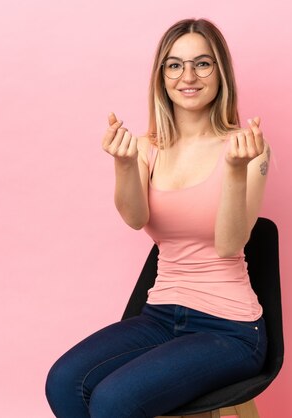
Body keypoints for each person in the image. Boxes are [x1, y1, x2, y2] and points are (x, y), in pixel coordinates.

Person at [45, 18, 271, 418]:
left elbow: (230, 243)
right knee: (65, 382)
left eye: (203, 64)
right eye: (174, 65)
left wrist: (235, 170)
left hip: (230, 330)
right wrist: (125, 163)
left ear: (221, 73)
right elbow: (135, 219)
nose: (188, 76)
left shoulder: (246, 148)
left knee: (115, 401)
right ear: (161, 75)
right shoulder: (148, 147)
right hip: (161, 316)